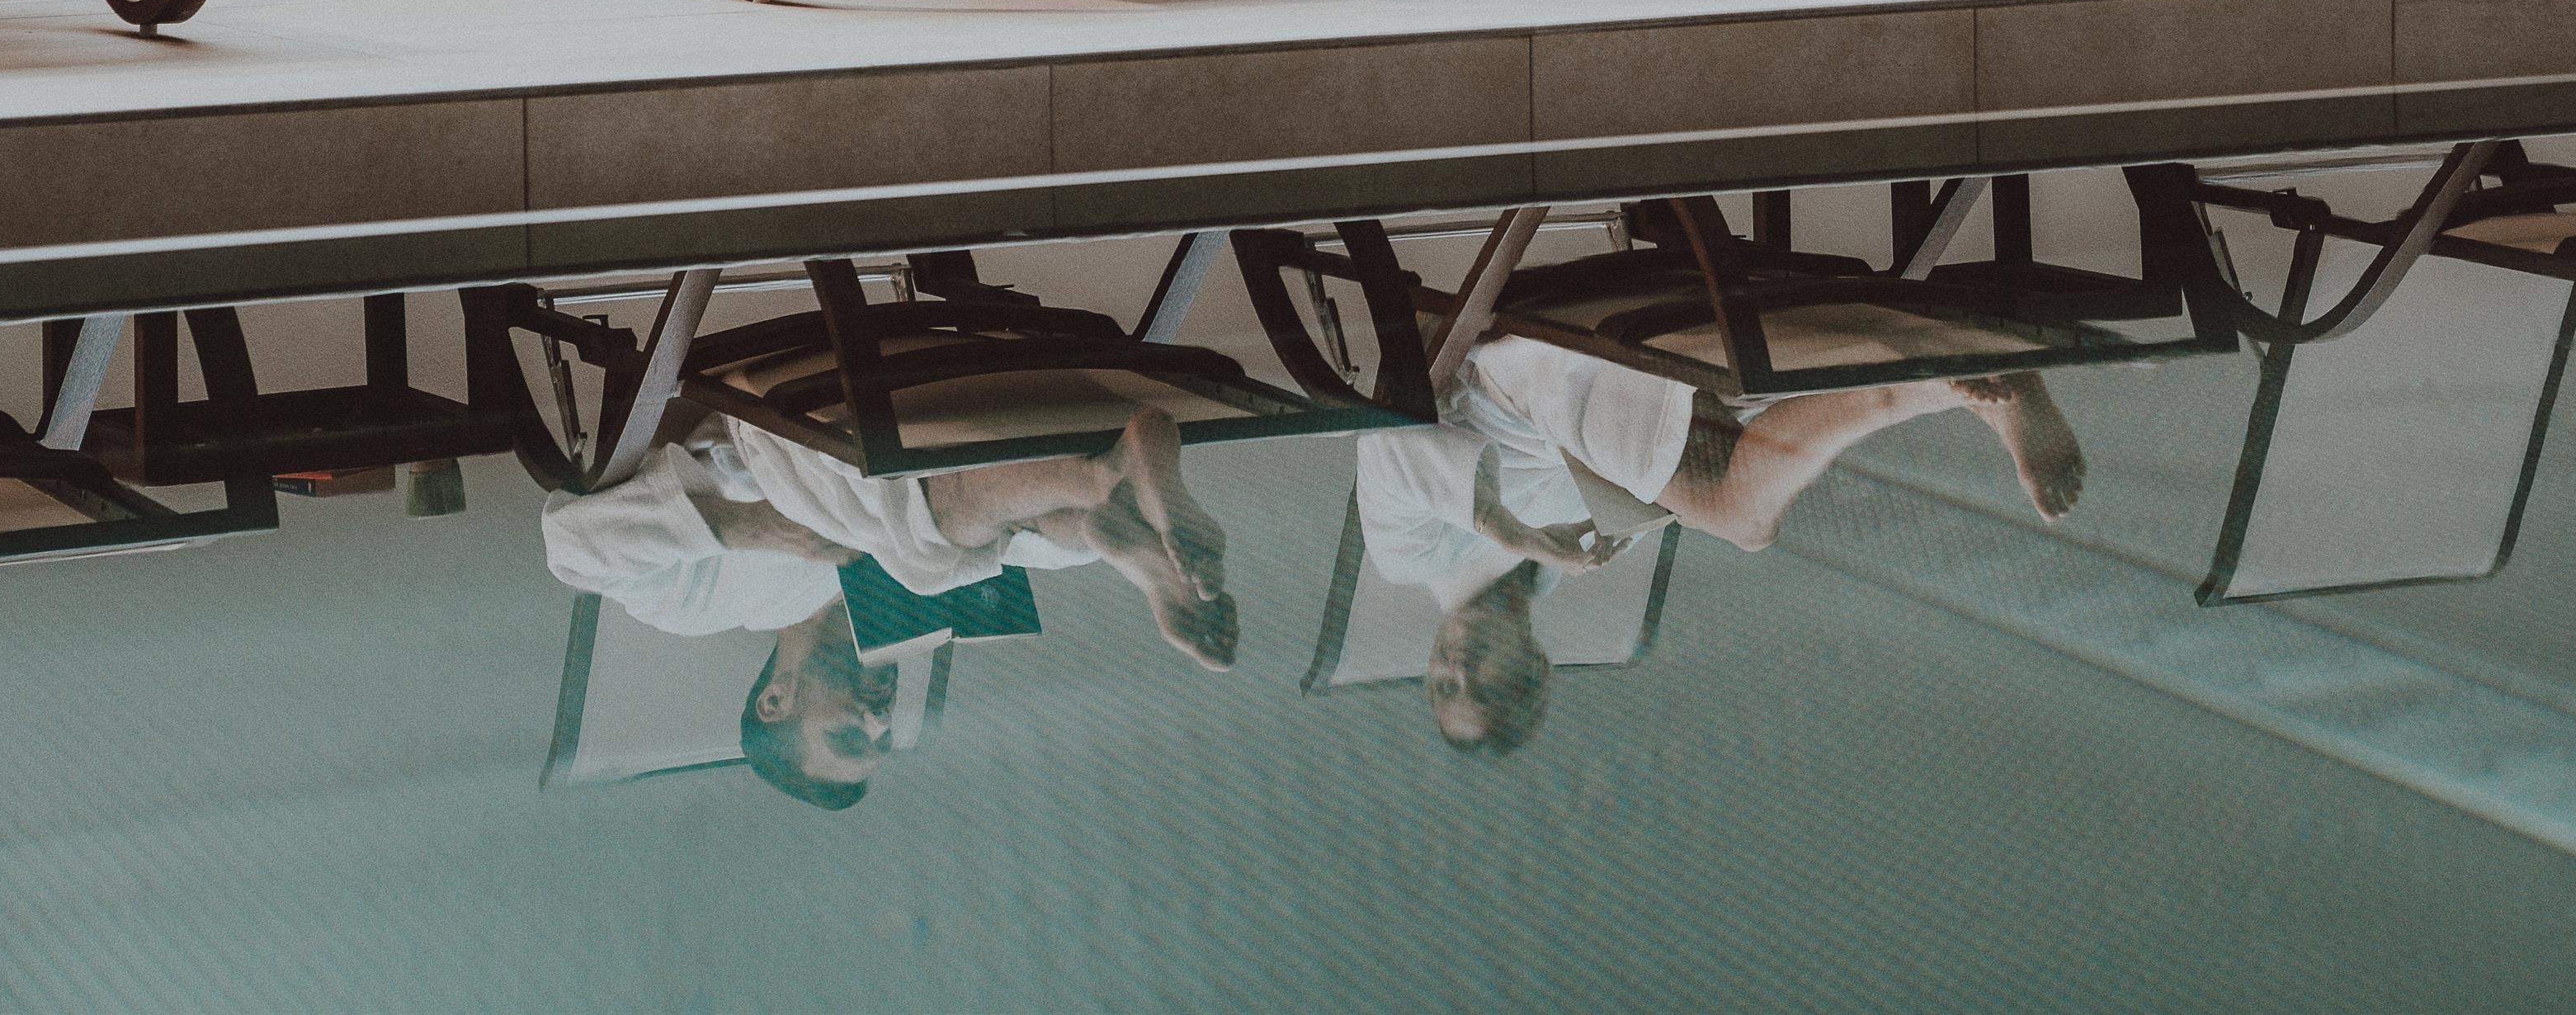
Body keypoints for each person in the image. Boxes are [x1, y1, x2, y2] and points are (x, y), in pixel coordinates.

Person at [1356, 333, 2083, 757]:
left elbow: (1387, 446)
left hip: (1530, 380)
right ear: (1536, 669)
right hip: (1621, 395)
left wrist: (1520, 535)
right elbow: (1638, 483)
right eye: (1483, 686)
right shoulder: (1573, 557)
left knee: (1743, 519)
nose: (1457, 667)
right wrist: (1607, 526)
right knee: (1742, 470)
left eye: (1441, 684)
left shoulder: (1412, 560)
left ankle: (1933, 384)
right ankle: (1946, 374)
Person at [543, 404, 1234, 811]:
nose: (880, 717)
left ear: (777, 700)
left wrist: (755, 528)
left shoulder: (705, 605)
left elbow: (571, 549)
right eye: (883, 736)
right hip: (922, 449)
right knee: (1010, 550)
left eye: (850, 736)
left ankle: (1109, 478)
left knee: (925, 552)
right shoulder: (900, 621)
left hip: (785, 438)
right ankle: (1128, 535)